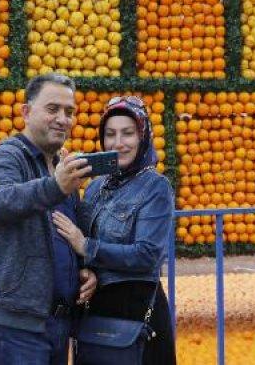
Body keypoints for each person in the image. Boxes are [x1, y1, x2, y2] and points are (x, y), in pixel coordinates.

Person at [0, 73, 98, 365]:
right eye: (52, 109)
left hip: (53, 324)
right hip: (14, 328)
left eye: (69, 112)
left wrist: (81, 269)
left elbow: (63, 232)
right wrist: (56, 186)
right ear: (26, 112)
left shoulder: (60, 166)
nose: (62, 119)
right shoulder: (6, 156)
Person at [52, 95, 176, 364]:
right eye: (110, 134)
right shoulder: (96, 186)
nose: (118, 143)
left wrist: (86, 246)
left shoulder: (155, 187)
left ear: (143, 136)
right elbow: (74, 239)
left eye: (128, 133)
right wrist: (87, 270)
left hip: (134, 306)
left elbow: (147, 255)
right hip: (97, 308)